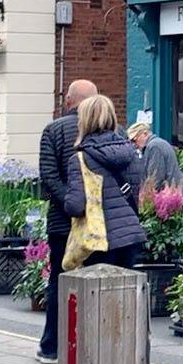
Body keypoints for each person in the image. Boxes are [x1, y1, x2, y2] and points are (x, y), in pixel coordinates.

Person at [37, 79, 96, 364]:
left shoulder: (53, 129)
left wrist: (72, 204)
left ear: (69, 100)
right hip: (100, 224)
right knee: (97, 281)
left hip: (63, 222)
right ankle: (91, 346)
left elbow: (48, 175)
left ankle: (52, 347)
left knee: (60, 283)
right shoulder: (112, 131)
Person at [62, 94, 147, 269]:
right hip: (130, 234)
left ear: (84, 121)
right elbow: (137, 193)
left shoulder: (80, 159)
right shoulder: (130, 154)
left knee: (96, 292)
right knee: (125, 291)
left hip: (98, 239)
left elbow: (75, 206)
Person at [127, 121, 183, 195]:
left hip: (169, 197)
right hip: (172, 194)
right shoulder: (156, 144)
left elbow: (155, 178)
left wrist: (146, 197)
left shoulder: (154, 147)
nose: (134, 144)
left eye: (134, 140)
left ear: (144, 134)